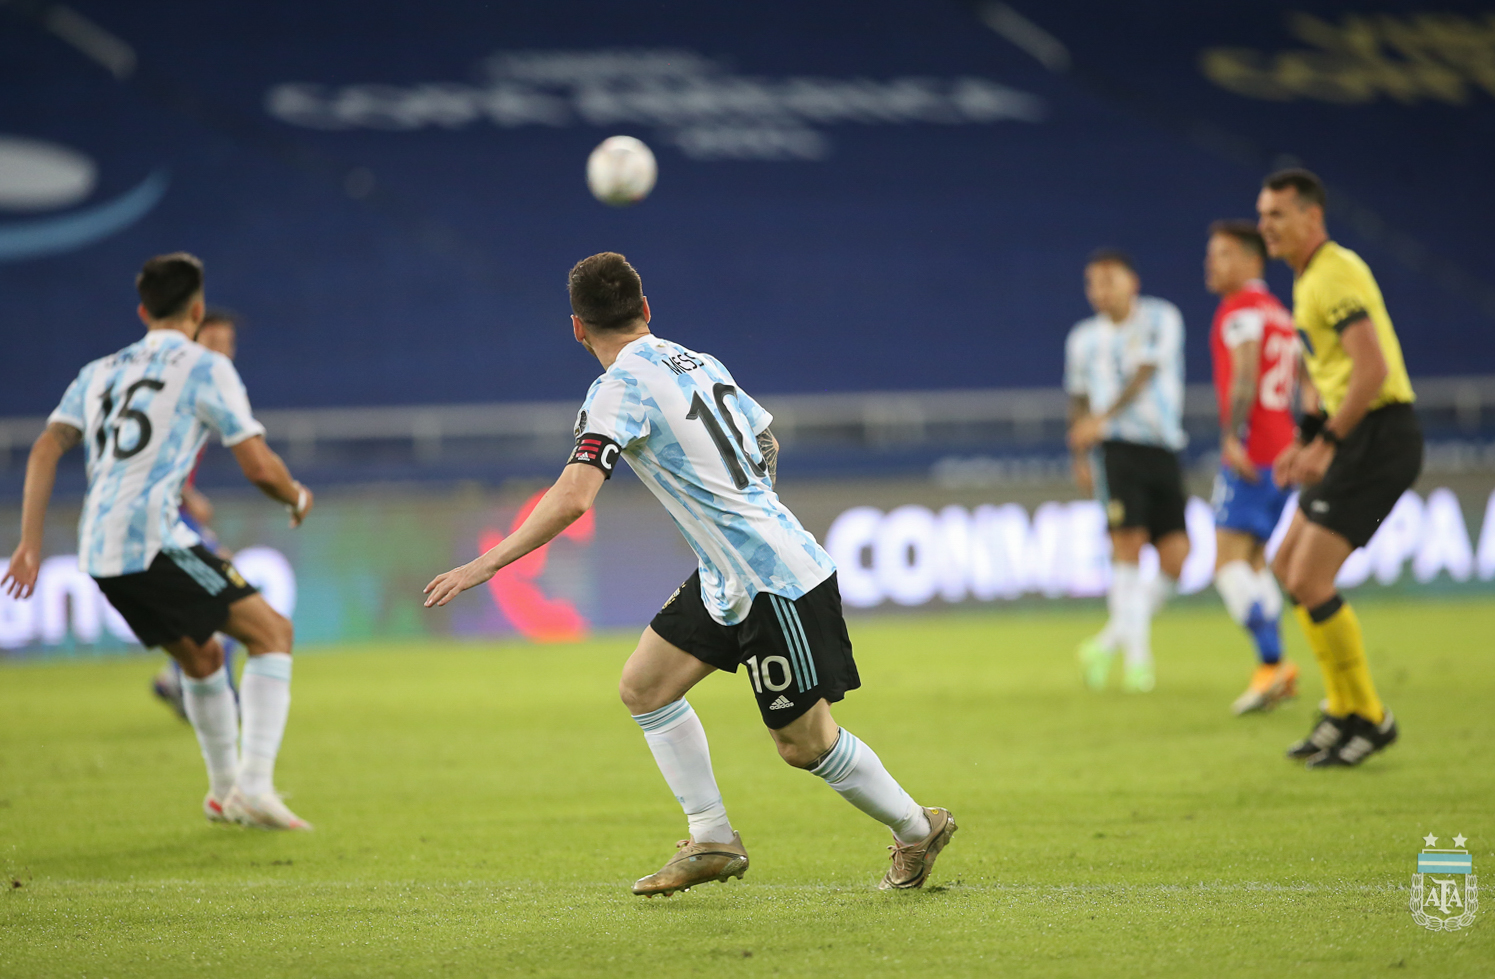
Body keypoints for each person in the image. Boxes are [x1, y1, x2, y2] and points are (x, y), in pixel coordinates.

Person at [424, 252, 955, 895]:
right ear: (646, 310)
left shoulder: (617, 387)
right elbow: (765, 440)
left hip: (774, 581)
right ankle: (712, 840)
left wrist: (485, 565)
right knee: (645, 686)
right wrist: (743, 518)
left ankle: (917, 827)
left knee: (803, 744)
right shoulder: (698, 360)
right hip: (729, 575)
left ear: (576, 328)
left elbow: (574, 496)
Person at [2, 253, 315, 827]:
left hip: (99, 549)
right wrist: (294, 496)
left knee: (200, 656)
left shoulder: (98, 371)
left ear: (143, 310)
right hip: (151, 539)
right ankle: (254, 785)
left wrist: (28, 543)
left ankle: (224, 794)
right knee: (273, 634)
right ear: (197, 311)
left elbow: (46, 446)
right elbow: (260, 469)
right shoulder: (205, 366)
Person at [1258, 168, 1420, 768]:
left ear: (1312, 217)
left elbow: (1371, 370)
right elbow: (1327, 375)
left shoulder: (1336, 272)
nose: (1265, 226)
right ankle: (1343, 709)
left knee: (1309, 578)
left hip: (1379, 434)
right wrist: (1305, 440)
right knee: (1286, 566)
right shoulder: (1306, 281)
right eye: (1263, 213)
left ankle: (1370, 716)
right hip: (1353, 433)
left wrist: (1326, 442)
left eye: (1277, 214)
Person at [1066, 249, 1190, 693]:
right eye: (1093, 283)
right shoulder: (1082, 339)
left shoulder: (1161, 318)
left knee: (1177, 557)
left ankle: (1105, 643)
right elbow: (1078, 398)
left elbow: (1145, 373)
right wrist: (1081, 451)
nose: (1101, 291)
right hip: (1115, 452)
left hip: (1161, 445)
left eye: (1109, 280)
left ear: (1131, 282)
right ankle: (1139, 661)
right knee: (1128, 545)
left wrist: (1103, 414)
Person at [1203, 221, 1301, 715]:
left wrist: (1230, 435)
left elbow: (1244, 376)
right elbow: (1305, 380)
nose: (1210, 264)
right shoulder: (1279, 313)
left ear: (1251, 260)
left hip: (1253, 452)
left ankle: (1272, 663)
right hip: (1284, 453)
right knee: (1256, 559)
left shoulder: (1239, 310)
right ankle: (1276, 668)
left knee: (1227, 564)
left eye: (1222, 255)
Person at [151, 309, 243, 719]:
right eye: (212, 344)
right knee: (231, 597)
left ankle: (181, 679)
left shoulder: (203, 388)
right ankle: (206, 692)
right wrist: (186, 495)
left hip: (173, 515)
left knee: (218, 594)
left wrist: (190, 494)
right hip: (161, 519)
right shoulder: (178, 389)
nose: (221, 353)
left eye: (227, 345)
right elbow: (149, 456)